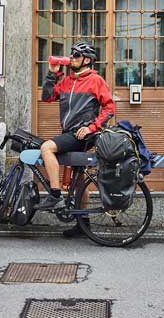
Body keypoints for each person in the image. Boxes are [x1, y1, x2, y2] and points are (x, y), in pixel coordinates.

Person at [35, 42, 115, 238]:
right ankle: (83, 224)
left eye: (76, 55)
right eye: (71, 54)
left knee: (47, 148)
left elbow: (109, 108)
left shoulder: (96, 80)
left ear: (87, 60)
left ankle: (55, 195)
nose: (72, 58)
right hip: (70, 132)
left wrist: (91, 127)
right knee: (79, 183)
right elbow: (46, 97)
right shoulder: (67, 81)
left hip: (82, 136)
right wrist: (52, 73)